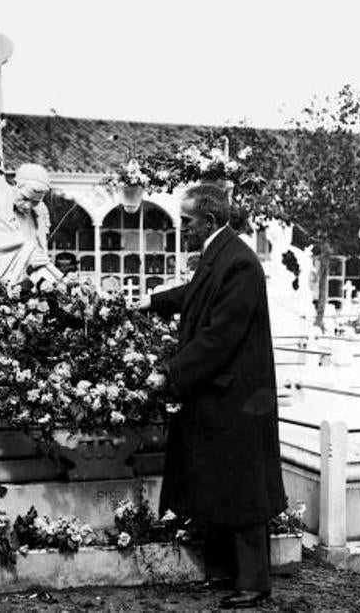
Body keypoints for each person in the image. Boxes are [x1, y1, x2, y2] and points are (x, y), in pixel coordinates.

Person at [136, 184, 286, 609]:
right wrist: (152, 303)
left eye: (186, 222)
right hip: (224, 393)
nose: (180, 229)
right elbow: (197, 293)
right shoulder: (221, 253)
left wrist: (169, 372)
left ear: (209, 220)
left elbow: (221, 336)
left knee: (243, 490)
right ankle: (229, 573)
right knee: (223, 485)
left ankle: (255, 583)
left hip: (236, 395)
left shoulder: (239, 263)